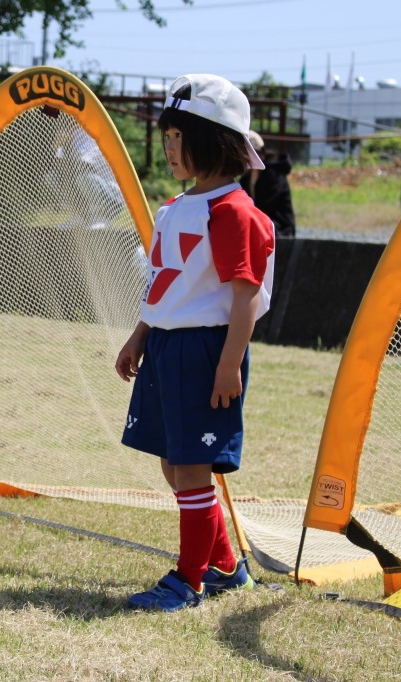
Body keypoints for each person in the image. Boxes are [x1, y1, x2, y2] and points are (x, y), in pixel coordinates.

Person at [114, 74, 275, 612]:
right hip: (164, 348)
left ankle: (188, 581)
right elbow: (163, 283)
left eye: (179, 136)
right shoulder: (173, 208)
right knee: (173, 462)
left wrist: (228, 365)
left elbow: (247, 297)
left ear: (216, 141)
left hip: (205, 354)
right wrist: (139, 336)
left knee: (191, 468)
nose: (170, 147)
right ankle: (226, 567)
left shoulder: (233, 212)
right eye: (167, 136)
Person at [241, 131, 296, 238]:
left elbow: (265, 206)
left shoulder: (273, 173)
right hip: (261, 225)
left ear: (262, 154)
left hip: (280, 229)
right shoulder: (247, 177)